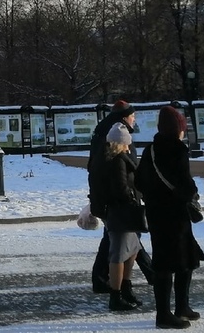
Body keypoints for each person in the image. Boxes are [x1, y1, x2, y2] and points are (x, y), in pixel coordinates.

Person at [138, 106, 204, 329]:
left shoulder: (151, 150)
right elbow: (186, 185)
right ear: (178, 128)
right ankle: (170, 312)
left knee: (165, 261)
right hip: (176, 215)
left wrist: (153, 196)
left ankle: (172, 309)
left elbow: (138, 181)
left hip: (156, 214)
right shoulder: (177, 150)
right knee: (181, 261)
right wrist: (191, 193)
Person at [88, 100, 154, 292]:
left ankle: (103, 280)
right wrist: (132, 199)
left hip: (111, 201)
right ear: (125, 118)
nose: (134, 120)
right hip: (118, 203)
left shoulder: (104, 131)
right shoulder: (117, 137)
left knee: (119, 240)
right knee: (125, 241)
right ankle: (121, 287)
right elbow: (119, 177)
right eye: (133, 116)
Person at [102, 122, 147, 311]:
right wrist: (132, 199)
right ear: (121, 143)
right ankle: (116, 295)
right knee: (119, 255)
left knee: (132, 250)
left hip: (124, 212)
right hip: (122, 213)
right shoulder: (118, 160)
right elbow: (121, 187)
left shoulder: (120, 158)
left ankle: (125, 289)